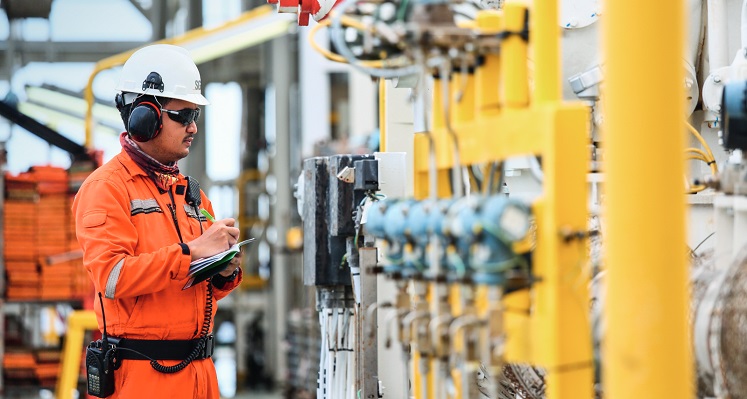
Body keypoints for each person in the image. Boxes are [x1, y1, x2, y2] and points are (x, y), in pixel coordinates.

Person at [72, 44, 243, 398]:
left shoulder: (191, 193)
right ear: (144, 117)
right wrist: (192, 251)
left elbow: (194, 291)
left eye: (196, 115)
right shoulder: (106, 188)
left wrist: (224, 270)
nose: (193, 127)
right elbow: (112, 277)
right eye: (183, 115)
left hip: (201, 377)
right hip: (143, 381)